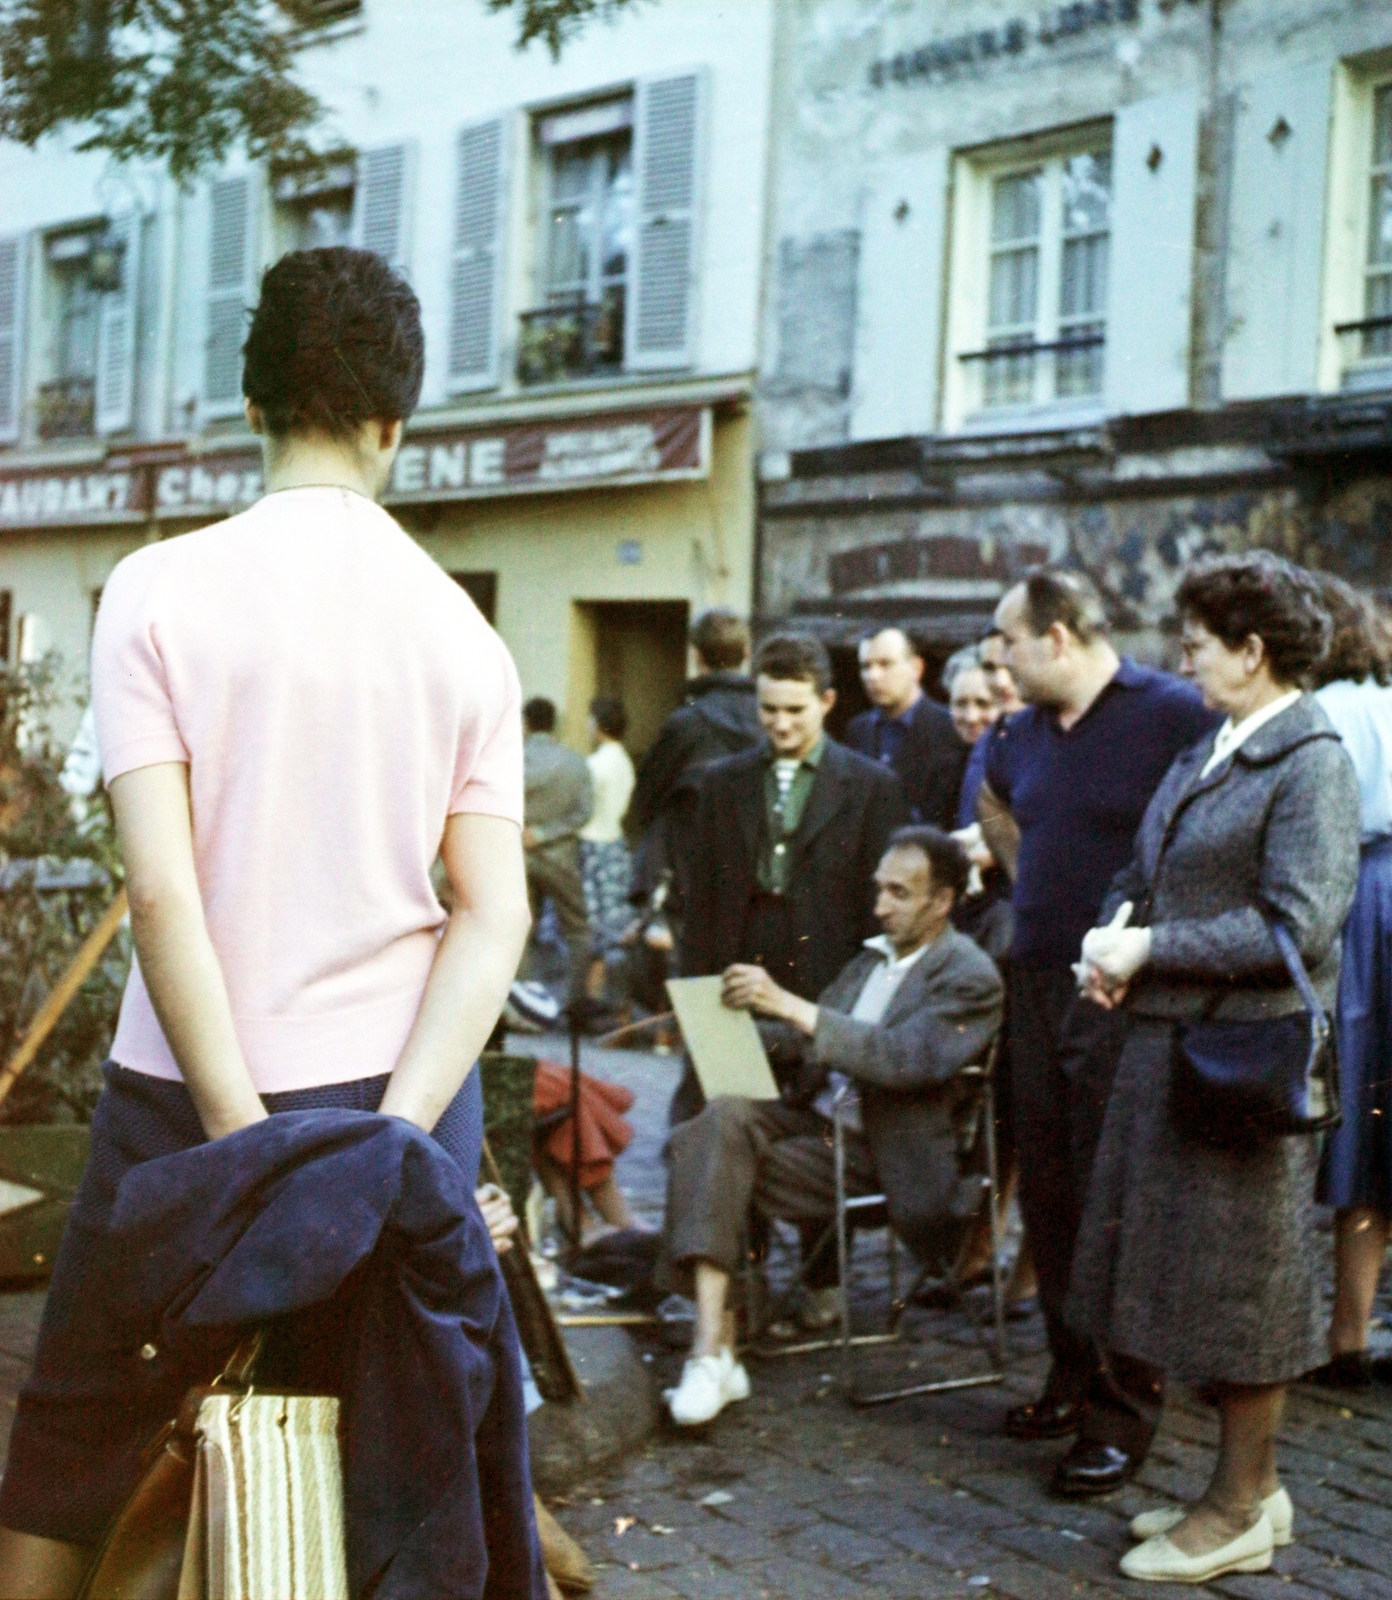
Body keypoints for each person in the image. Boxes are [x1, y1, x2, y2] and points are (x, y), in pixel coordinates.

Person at [0, 247, 544, 1597]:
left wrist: (247, 1148)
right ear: (393, 424)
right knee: (394, 1454)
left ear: (253, 405)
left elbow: (165, 892)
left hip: (187, 1098)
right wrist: (398, 1139)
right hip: (396, 1102)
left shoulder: (155, 590)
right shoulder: (464, 635)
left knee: (83, 1437)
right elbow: (491, 915)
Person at [1071, 552, 1359, 1583]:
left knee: (1244, 1290)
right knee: (1195, 1280)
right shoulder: (1218, 743)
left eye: (1197, 643)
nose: (1182, 660)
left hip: (1241, 1063)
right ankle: (1251, 1488)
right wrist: (1113, 939)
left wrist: (1150, 950)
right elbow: (1145, 870)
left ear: (1252, 650)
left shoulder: (1311, 758)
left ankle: (1237, 1504)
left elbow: (1300, 920)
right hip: (1176, 1048)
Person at [984, 568, 1216, 1497]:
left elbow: (1211, 832)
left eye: (1008, 640)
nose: (998, 659)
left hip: (1121, 995)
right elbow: (995, 803)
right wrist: (1025, 868)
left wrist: (1140, 932)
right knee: (1047, 1193)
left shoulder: (1169, 713)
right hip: (1034, 984)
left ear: (1062, 634)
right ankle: (1070, 1378)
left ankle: (1124, 1413)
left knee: (1113, 1194)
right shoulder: (1020, 732)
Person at [659, 828, 1003, 1425]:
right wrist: (723, 1019)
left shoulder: (969, 977)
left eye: (899, 893)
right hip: (816, 1130)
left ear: (943, 901)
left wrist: (787, 1003)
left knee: (712, 1156)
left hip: (882, 1156)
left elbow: (899, 1059)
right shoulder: (873, 958)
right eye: (879, 890)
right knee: (717, 1121)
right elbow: (808, 1042)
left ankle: (717, 1346)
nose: (880, 906)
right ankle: (710, 1348)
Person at [1305, 574, 1392, 1388]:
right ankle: (1350, 1335)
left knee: (1360, 1115)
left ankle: (1347, 1336)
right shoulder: (1388, 703)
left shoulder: (1322, 713)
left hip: (1360, 900)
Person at [624, 608, 762, 928]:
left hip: (690, 874)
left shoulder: (685, 722)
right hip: (755, 866)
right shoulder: (770, 719)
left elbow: (645, 797)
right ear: (746, 653)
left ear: (696, 656)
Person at [846, 627, 966, 828]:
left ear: (916, 668)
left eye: (886, 664)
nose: (873, 676)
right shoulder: (858, 729)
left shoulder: (949, 727)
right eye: (865, 666)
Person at [522, 696, 594, 1008]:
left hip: (517, 854)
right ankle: (574, 1002)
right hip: (560, 857)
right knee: (577, 929)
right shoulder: (576, 763)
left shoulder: (510, 759)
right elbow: (583, 813)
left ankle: (521, 1002)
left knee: (519, 929)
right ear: (556, 724)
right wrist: (546, 833)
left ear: (525, 723)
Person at [579, 695, 635, 999]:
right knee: (612, 926)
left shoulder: (595, 764)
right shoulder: (625, 762)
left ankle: (592, 996)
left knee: (589, 926)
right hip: (615, 844)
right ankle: (605, 997)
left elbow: (582, 809)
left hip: (592, 846)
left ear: (598, 724)